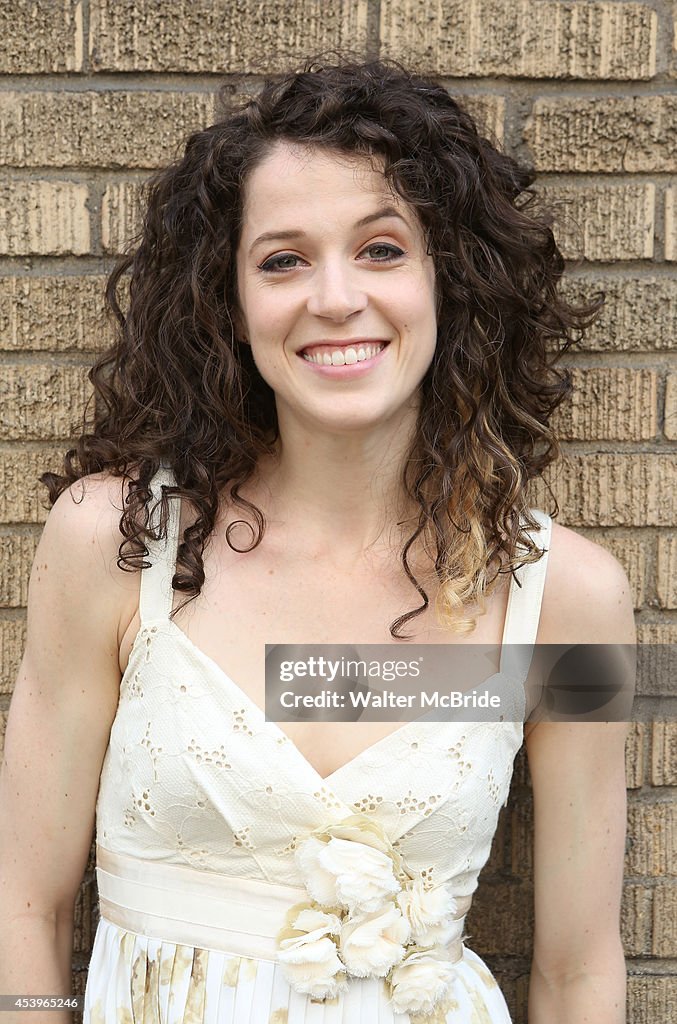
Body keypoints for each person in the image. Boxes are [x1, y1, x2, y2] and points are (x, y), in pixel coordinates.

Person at [0, 57, 636, 1024]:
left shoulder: (573, 599)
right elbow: (25, 899)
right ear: (229, 302)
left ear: (447, 278)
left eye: (381, 249)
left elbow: (579, 970)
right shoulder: (117, 544)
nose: (334, 298)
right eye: (283, 260)